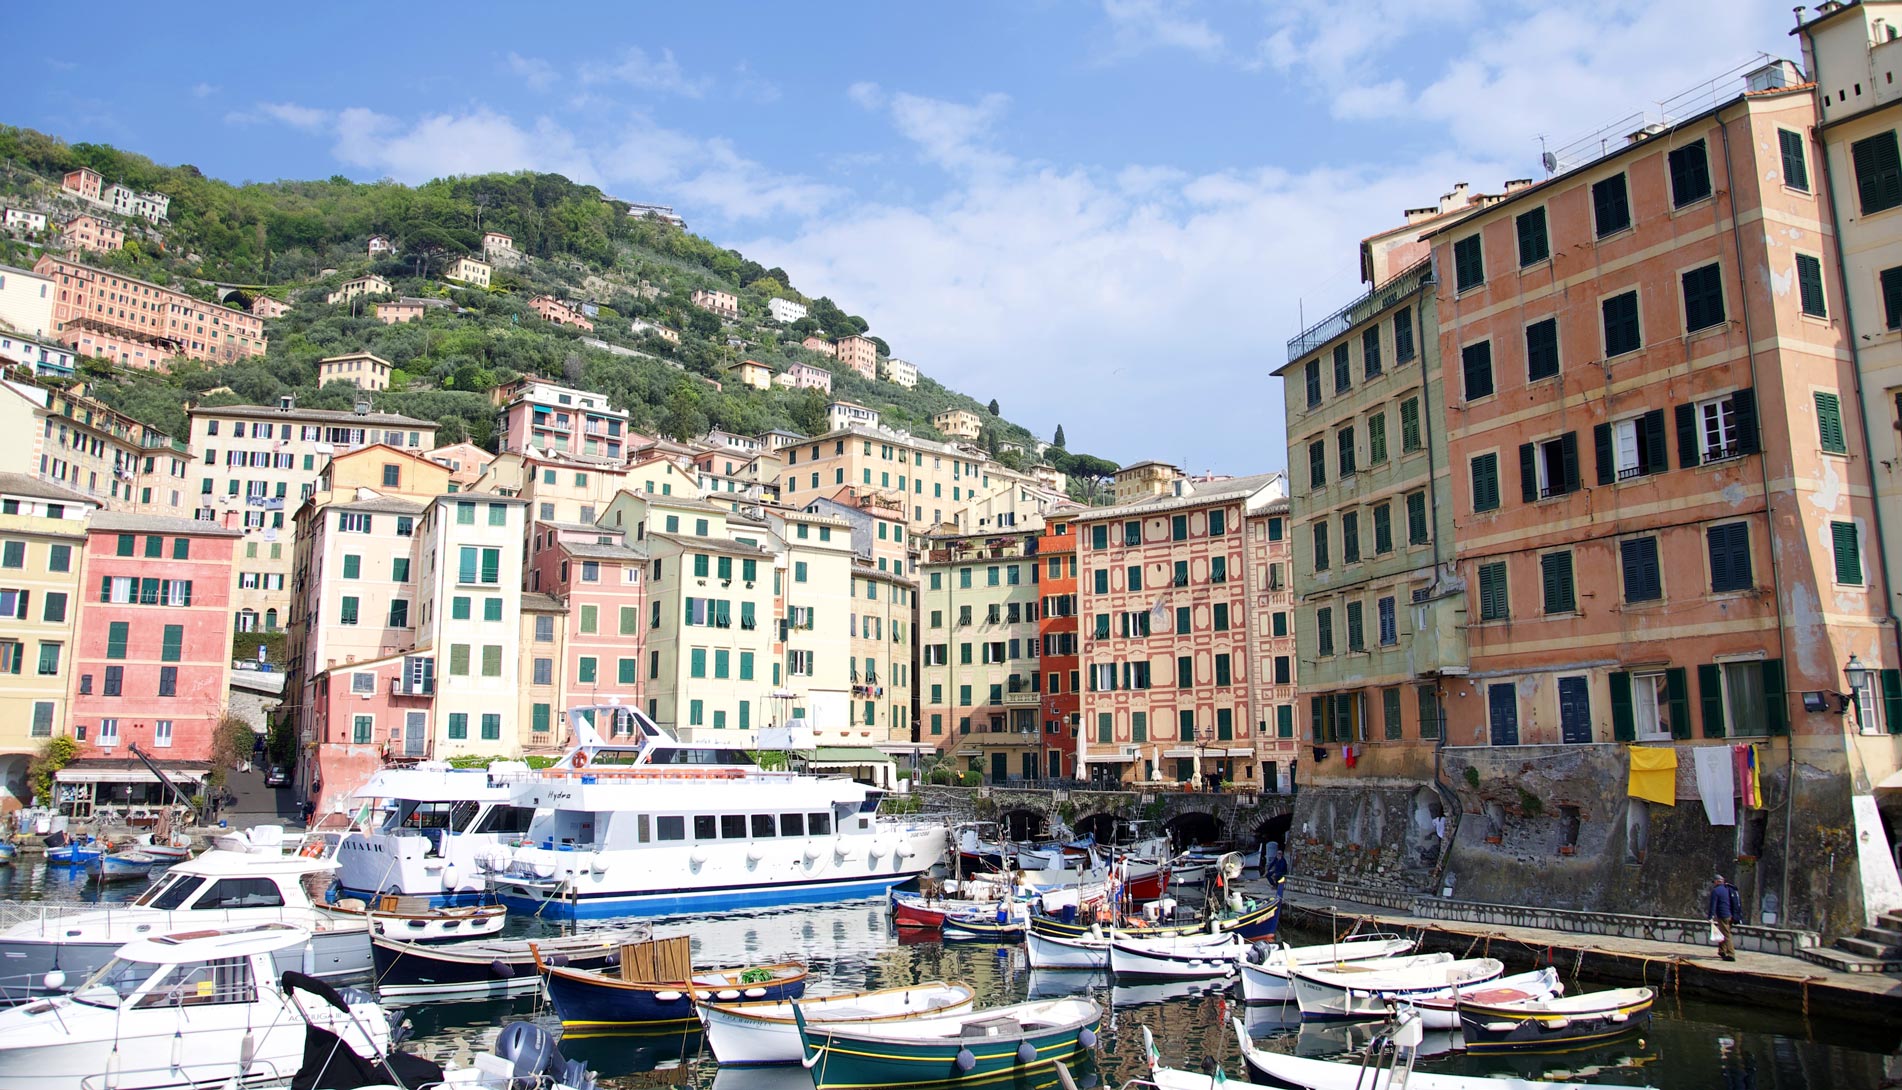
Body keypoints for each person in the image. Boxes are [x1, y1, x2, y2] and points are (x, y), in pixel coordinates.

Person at [1709, 874, 1743, 961]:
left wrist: (1711, 916)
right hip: (1730, 915)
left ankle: (1731, 954)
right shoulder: (1728, 889)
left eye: (1714, 882)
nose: (1714, 883)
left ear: (1717, 881)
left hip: (1723, 915)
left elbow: (1713, 905)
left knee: (1726, 934)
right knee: (1722, 933)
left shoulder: (1716, 891)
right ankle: (1722, 951)